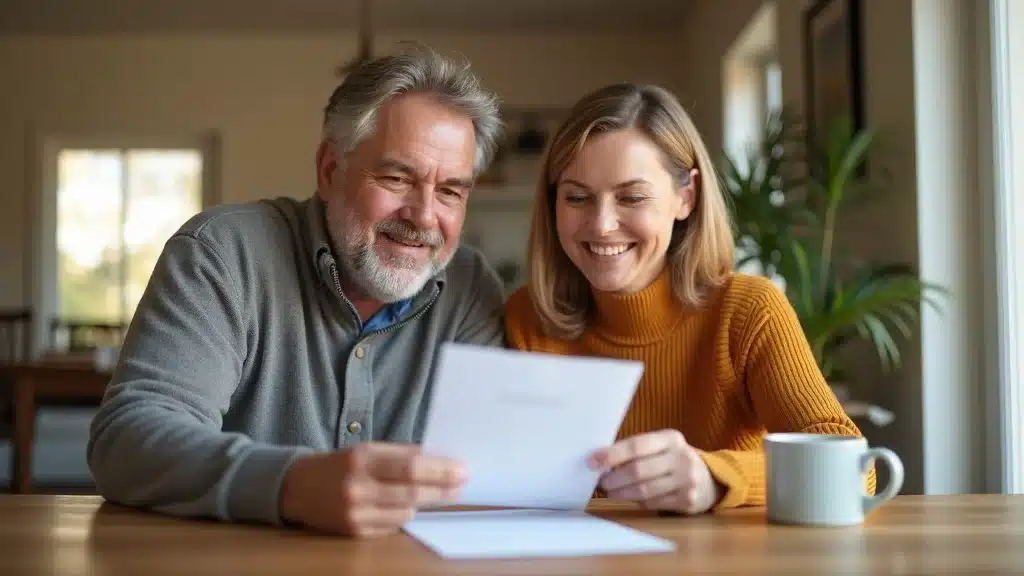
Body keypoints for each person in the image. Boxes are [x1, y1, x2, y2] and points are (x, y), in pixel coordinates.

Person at [87, 43, 507, 538]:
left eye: (451, 191)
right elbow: (127, 440)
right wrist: (293, 485)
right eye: (397, 177)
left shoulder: (472, 287)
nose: (424, 215)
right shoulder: (223, 253)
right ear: (330, 171)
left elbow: (499, 463)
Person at [504, 83, 874, 516]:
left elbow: (856, 469)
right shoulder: (526, 318)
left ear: (686, 197)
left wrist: (715, 478)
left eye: (632, 197)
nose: (601, 224)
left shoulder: (747, 310)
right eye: (577, 197)